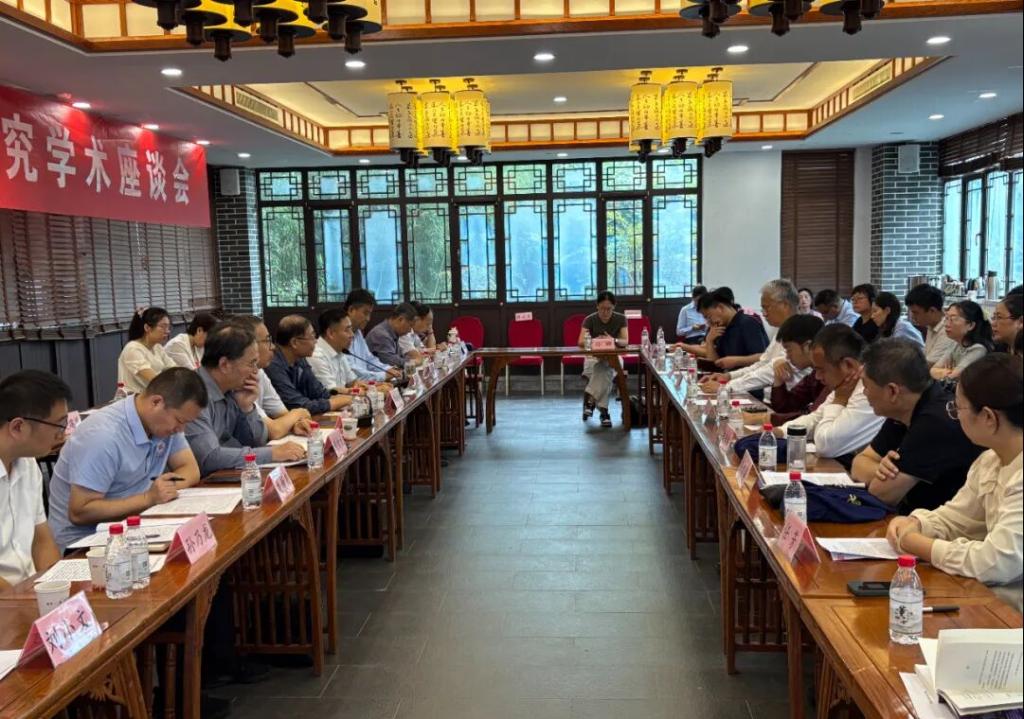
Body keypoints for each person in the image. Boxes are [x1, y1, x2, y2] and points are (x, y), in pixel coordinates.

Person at [885, 354, 1022, 604]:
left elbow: (995, 562)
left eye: (957, 408)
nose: (954, 415)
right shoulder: (990, 460)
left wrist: (915, 542)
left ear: (988, 417)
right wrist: (916, 522)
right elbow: (958, 518)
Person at [48, 368, 206, 551]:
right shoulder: (103, 436)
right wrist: (148, 498)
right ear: (156, 402)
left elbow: (190, 469)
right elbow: (80, 512)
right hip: (84, 545)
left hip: (135, 527)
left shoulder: (164, 425)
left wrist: (163, 491)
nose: (181, 430)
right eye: (179, 421)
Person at [851, 339, 982, 511]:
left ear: (892, 391)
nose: (864, 393)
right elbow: (858, 465)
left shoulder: (934, 422)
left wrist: (880, 475)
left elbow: (882, 493)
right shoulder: (906, 407)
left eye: (866, 386)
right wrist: (880, 471)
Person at [186, 322, 307, 475]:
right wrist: (271, 454)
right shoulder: (192, 393)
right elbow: (209, 458)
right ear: (224, 365)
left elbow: (256, 441)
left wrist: (247, 408)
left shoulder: (231, 388)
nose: (256, 371)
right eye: (251, 364)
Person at [779, 325, 884, 465]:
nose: (817, 377)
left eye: (821, 370)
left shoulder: (871, 389)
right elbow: (816, 418)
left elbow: (826, 446)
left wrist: (839, 400)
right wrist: (780, 432)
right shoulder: (846, 384)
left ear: (848, 365)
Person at [0, 371, 68, 588]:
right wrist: (18, 601)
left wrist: (56, 588)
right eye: (59, 425)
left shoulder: (28, 464)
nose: (62, 434)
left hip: (29, 589)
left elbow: (42, 540)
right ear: (18, 427)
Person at [702, 279, 808, 397]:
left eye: (766, 307)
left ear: (784, 305)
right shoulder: (781, 330)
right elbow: (762, 363)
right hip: (769, 397)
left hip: (788, 401)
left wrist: (727, 386)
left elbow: (770, 371)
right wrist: (729, 376)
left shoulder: (801, 330)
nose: (764, 313)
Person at [227, 315, 312, 440]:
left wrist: (295, 423)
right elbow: (273, 430)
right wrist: (297, 413)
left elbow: (281, 413)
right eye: (267, 340)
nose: (273, 347)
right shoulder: (237, 378)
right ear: (249, 344)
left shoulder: (259, 371)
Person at [265, 315, 352, 415]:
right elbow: (297, 405)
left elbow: (318, 392)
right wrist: (335, 402)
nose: (316, 341)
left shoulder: (300, 358)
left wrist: (345, 398)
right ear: (294, 343)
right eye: (312, 337)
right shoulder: (273, 365)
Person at [678, 288, 768, 365]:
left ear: (720, 308)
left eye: (708, 317)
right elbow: (715, 363)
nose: (708, 322)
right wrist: (709, 341)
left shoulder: (747, 323)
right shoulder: (720, 327)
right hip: (726, 375)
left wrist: (737, 361)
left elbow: (763, 357)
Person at [579, 291, 629, 428]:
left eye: (609, 309)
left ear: (614, 307)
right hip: (593, 358)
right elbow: (581, 341)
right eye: (602, 308)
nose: (605, 312)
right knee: (604, 370)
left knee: (605, 367)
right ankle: (604, 413)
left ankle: (591, 402)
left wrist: (612, 340)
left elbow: (625, 341)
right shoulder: (590, 319)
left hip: (614, 357)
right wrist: (597, 341)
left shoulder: (621, 319)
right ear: (597, 306)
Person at [766, 315, 827, 425]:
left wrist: (768, 418)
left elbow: (813, 416)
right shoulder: (814, 375)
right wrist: (778, 380)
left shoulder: (830, 375)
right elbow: (785, 407)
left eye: (788, 350)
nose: (787, 357)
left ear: (807, 346)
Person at [343, 289, 403, 383]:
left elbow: (370, 359)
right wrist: (384, 375)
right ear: (351, 310)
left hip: (365, 384)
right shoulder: (340, 335)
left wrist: (388, 369)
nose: (368, 319)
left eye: (369, 314)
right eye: (365, 313)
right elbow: (352, 371)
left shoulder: (358, 333)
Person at [117, 306, 177, 394]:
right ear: (147, 328)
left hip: (152, 396)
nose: (167, 331)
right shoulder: (133, 349)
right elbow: (155, 379)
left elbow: (174, 368)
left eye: (168, 327)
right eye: (163, 327)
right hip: (134, 398)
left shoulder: (157, 347)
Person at [930, 301, 993, 381]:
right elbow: (933, 370)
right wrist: (946, 372)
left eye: (953, 319)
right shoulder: (955, 343)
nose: (946, 324)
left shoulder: (978, 349)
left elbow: (953, 376)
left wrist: (944, 372)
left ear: (970, 325)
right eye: (946, 318)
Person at [309, 308, 360, 394]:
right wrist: (360, 392)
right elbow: (332, 391)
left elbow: (352, 382)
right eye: (347, 330)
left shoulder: (340, 350)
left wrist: (371, 387)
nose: (352, 335)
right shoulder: (316, 355)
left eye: (351, 329)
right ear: (331, 333)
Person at [905, 283, 955, 366]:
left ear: (932, 311)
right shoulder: (931, 325)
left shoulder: (947, 331)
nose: (912, 317)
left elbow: (929, 365)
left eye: (915, 312)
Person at [365, 303, 418, 368]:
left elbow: (400, 357)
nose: (410, 330)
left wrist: (408, 360)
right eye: (410, 325)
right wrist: (413, 362)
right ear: (400, 319)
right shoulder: (381, 334)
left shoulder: (393, 333)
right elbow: (391, 361)